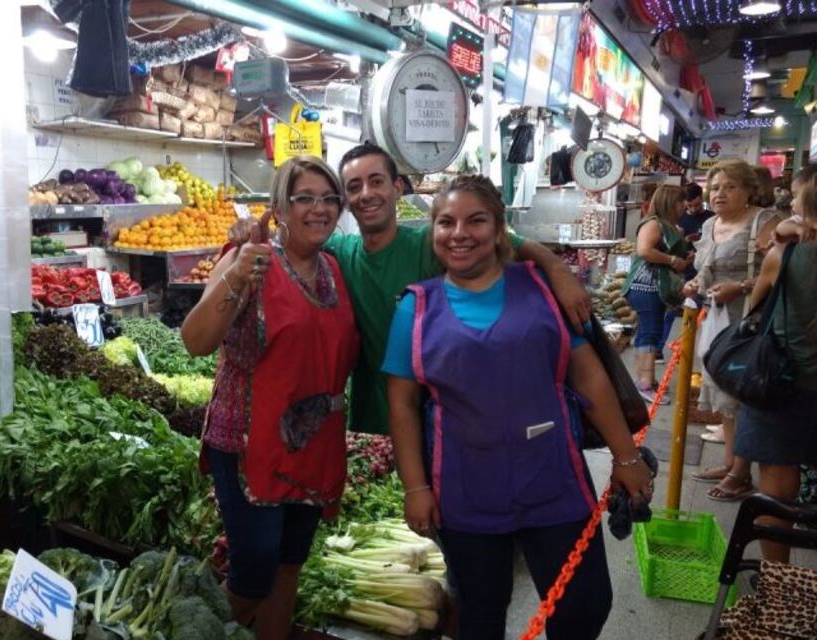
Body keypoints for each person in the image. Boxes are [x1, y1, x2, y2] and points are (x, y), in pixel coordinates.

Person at [383, 175, 653, 640]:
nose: (459, 233)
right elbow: (402, 405)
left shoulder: (543, 290)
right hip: (466, 488)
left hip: (553, 478)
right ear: (433, 232)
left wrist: (626, 457)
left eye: (476, 220)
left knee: (585, 604)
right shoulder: (417, 307)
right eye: (446, 222)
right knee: (480, 613)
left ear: (500, 228)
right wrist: (415, 487)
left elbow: (587, 375)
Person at [231, 142, 591, 436]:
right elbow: (292, 243)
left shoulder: (430, 243)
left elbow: (506, 241)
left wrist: (558, 269)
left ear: (397, 188)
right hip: (374, 421)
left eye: (376, 181)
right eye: (353, 187)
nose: (366, 194)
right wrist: (245, 230)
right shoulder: (338, 254)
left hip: (447, 418)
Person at [182, 156, 359, 640]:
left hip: (309, 445)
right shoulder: (248, 259)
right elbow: (194, 341)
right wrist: (237, 276)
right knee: (255, 570)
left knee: (288, 567)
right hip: (246, 443)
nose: (319, 209)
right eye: (305, 198)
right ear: (279, 207)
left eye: (329, 199)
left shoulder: (334, 268)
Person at [734, 164, 817, 562]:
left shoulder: (786, 257)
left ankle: (777, 580)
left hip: (782, 384)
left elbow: (755, 311)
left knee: (776, 489)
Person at [685, 159, 780, 501]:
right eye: (715, 187)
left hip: (750, 321)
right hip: (715, 320)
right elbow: (706, 271)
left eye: (730, 187)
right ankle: (729, 463)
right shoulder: (710, 223)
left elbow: (781, 274)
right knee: (725, 396)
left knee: (744, 394)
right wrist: (696, 283)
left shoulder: (765, 222)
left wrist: (739, 287)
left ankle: (741, 473)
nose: (719, 193)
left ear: (749, 190)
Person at [621, 185, 693, 404]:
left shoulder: (669, 226)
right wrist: (673, 260)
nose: (685, 206)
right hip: (646, 286)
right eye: (681, 202)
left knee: (646, 332)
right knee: (651, 332)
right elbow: (644, 250)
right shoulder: (653, 224)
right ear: (670, 202)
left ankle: (644, 380)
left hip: (653, 287)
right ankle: (645, 383)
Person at [655, 183, 714, 360]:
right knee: (671, 311)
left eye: (697, 205)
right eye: (689, 206)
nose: (693, 209)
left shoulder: (711, 219)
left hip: (703, 272)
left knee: (704, 313)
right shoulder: (677, 219)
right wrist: (683, 240)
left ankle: (704, 352)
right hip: (680, 274)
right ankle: (659, 348)